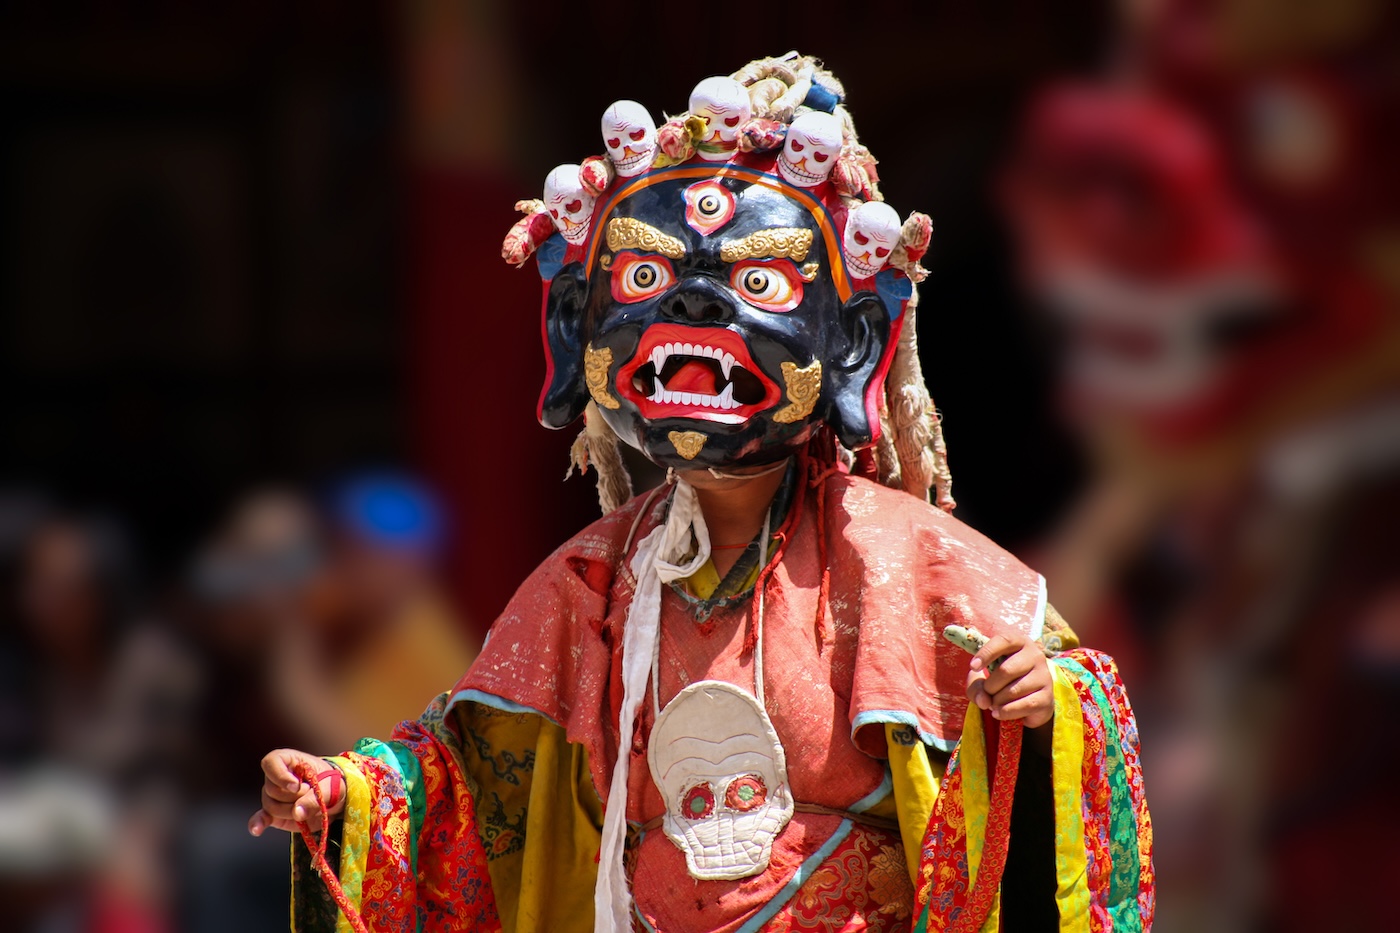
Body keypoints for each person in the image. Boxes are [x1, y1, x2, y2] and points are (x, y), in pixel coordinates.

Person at [249, 54, 1154, 932]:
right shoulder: (589, 585)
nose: (696, 310)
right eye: (646, 278)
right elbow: (468, 775)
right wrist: (341, 797)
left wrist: (1040, 701)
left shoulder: (905, 561)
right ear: (579, 329)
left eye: (759, 282)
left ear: (850, 343)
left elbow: (1071, 703)